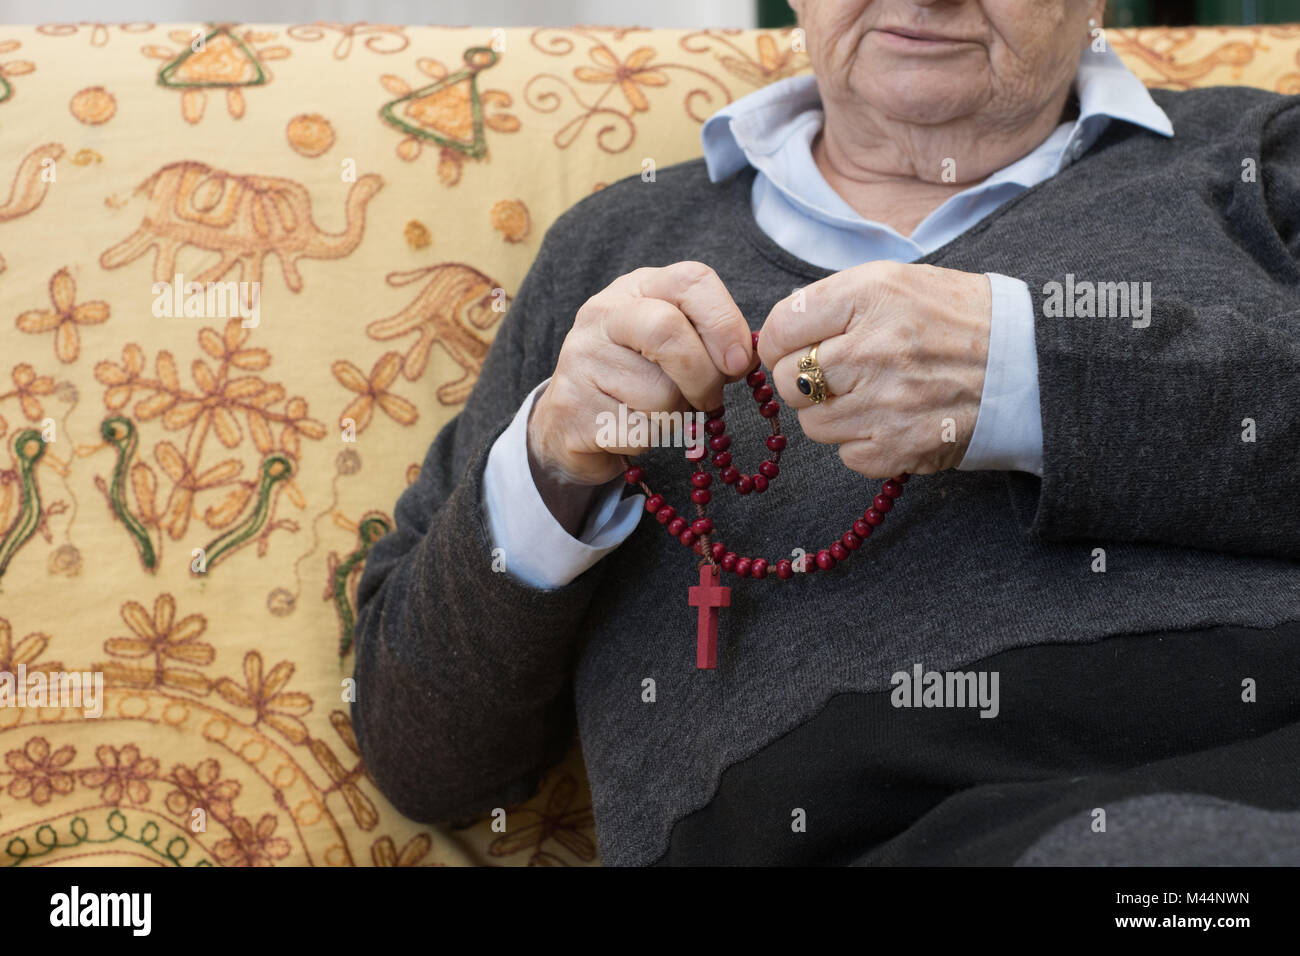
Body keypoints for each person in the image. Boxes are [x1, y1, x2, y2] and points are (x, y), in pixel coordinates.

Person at [352, 0, 1300, 866]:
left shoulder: (1257, 153)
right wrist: (550, 466)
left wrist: (1033, 378)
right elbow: (423, 752)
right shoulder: (610, 246)